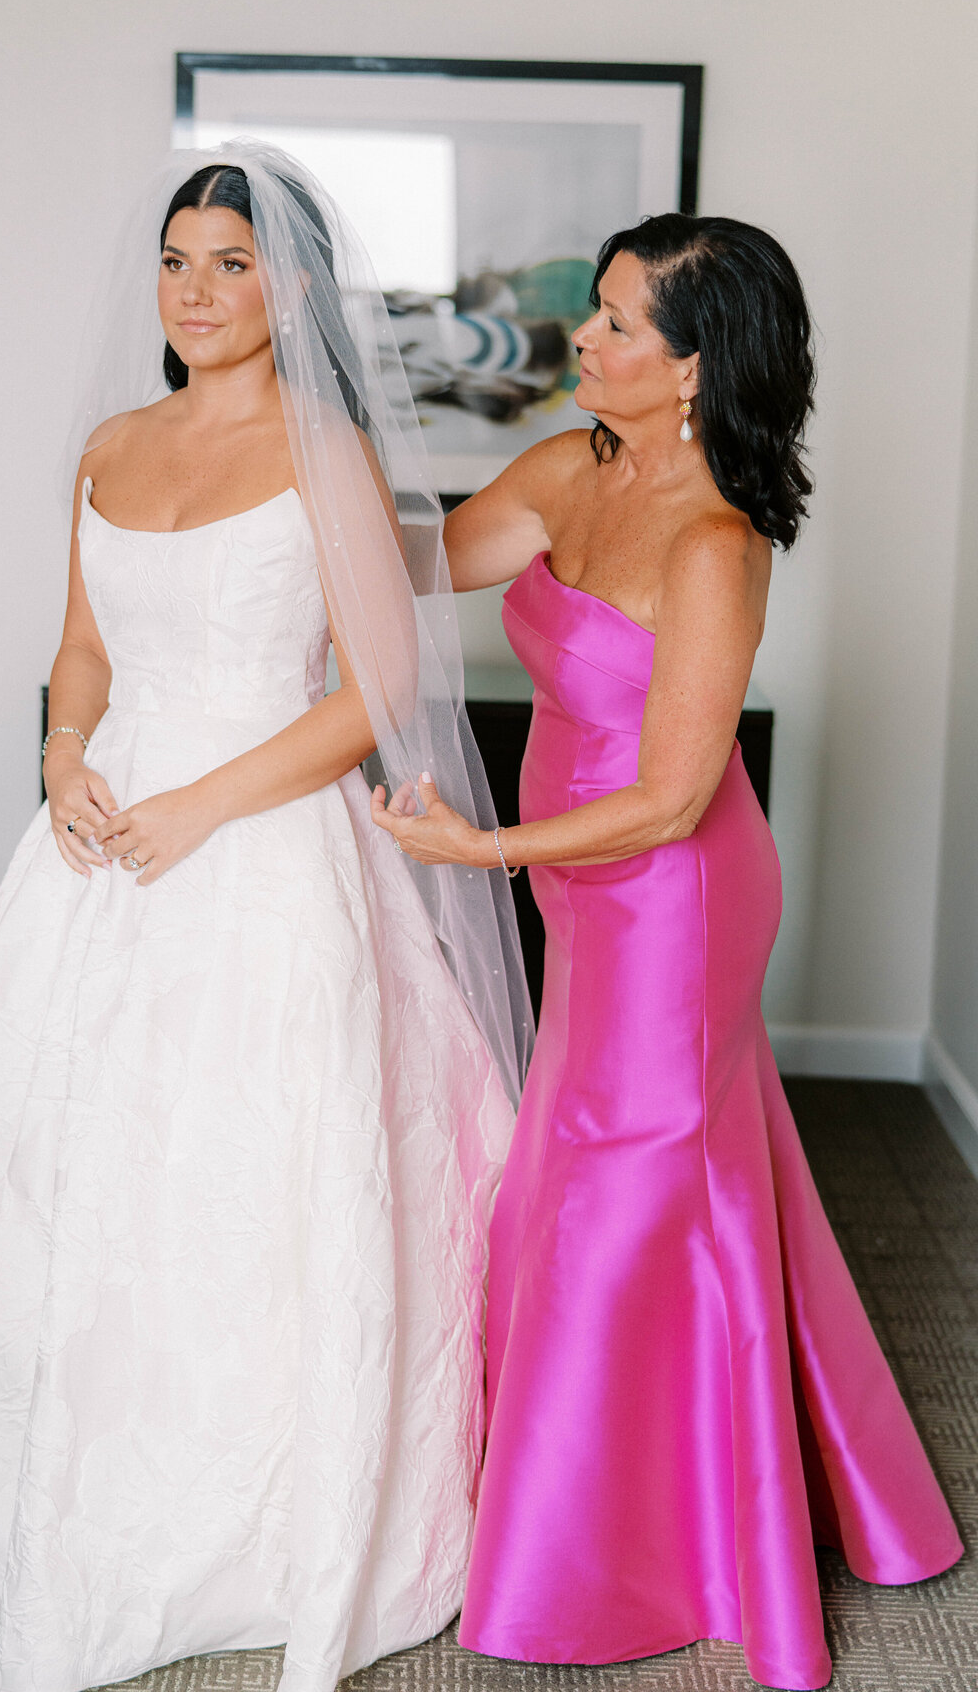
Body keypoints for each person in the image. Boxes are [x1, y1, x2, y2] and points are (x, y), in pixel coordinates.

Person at [0, 144, 531, 1692]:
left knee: (243, 1164)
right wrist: (63, 759)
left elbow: (376, 697)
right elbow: (83, 654)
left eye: (233, 264)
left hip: (256, 848)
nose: (198, 290)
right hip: (98, 840)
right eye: (179, 261)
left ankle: (241, 1508)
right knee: (58, 1152)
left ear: (296, 287)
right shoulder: (111, 446)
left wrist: (201, 805)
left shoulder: (327, 452)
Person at [372, 214, 962, 1691]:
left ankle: (629, 1540)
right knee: (624, 1174)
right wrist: (293, 465)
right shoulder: (576, 466)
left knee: (620, 1185)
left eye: (622, 324)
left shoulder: (716, 536)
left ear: (698, 368)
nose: (587, 338)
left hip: (673, 898)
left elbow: (674, 796)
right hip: (588, 895)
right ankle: (666, 1476)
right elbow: (430, 560)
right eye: (595, 312)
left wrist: (479, 853)